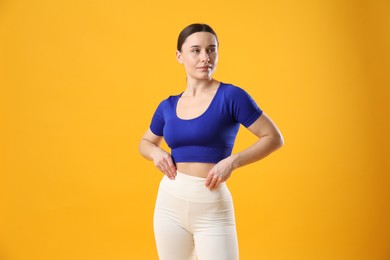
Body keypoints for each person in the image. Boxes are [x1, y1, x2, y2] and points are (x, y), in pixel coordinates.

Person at [138, 23, 284, 260]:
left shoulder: (232, 96)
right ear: (179, 56)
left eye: (211, 50)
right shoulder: (167, 106)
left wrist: (233, 161)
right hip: (169, 205)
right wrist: (156, 153)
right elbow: (145, 142)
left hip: (211, 207)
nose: (205, 57)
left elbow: (274, 138)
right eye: (195, 50)